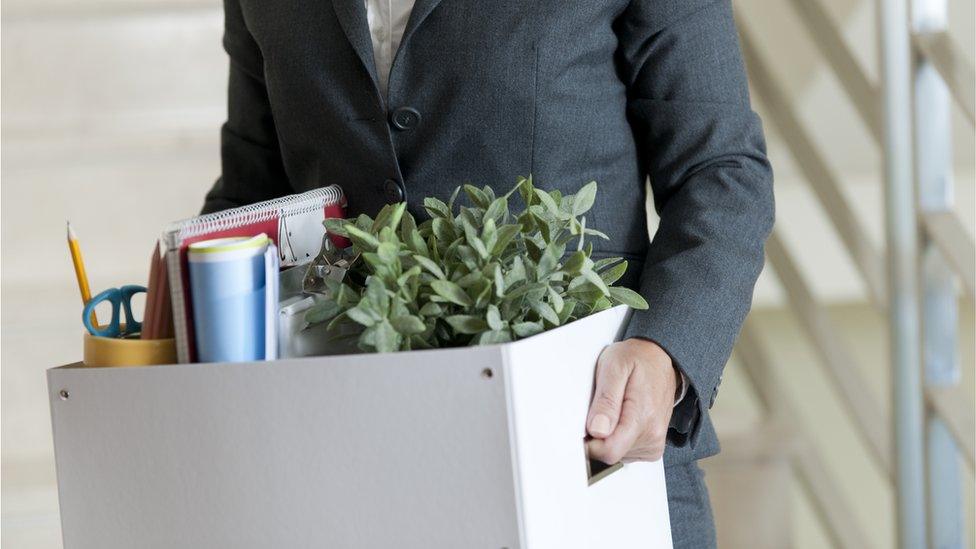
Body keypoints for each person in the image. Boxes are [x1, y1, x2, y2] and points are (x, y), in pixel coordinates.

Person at [202, 1, 774, 546]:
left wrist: (665, 351)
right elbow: (251, 191)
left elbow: (720, 168)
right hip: (352, 465)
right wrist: (172, 324)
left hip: (588, 451)